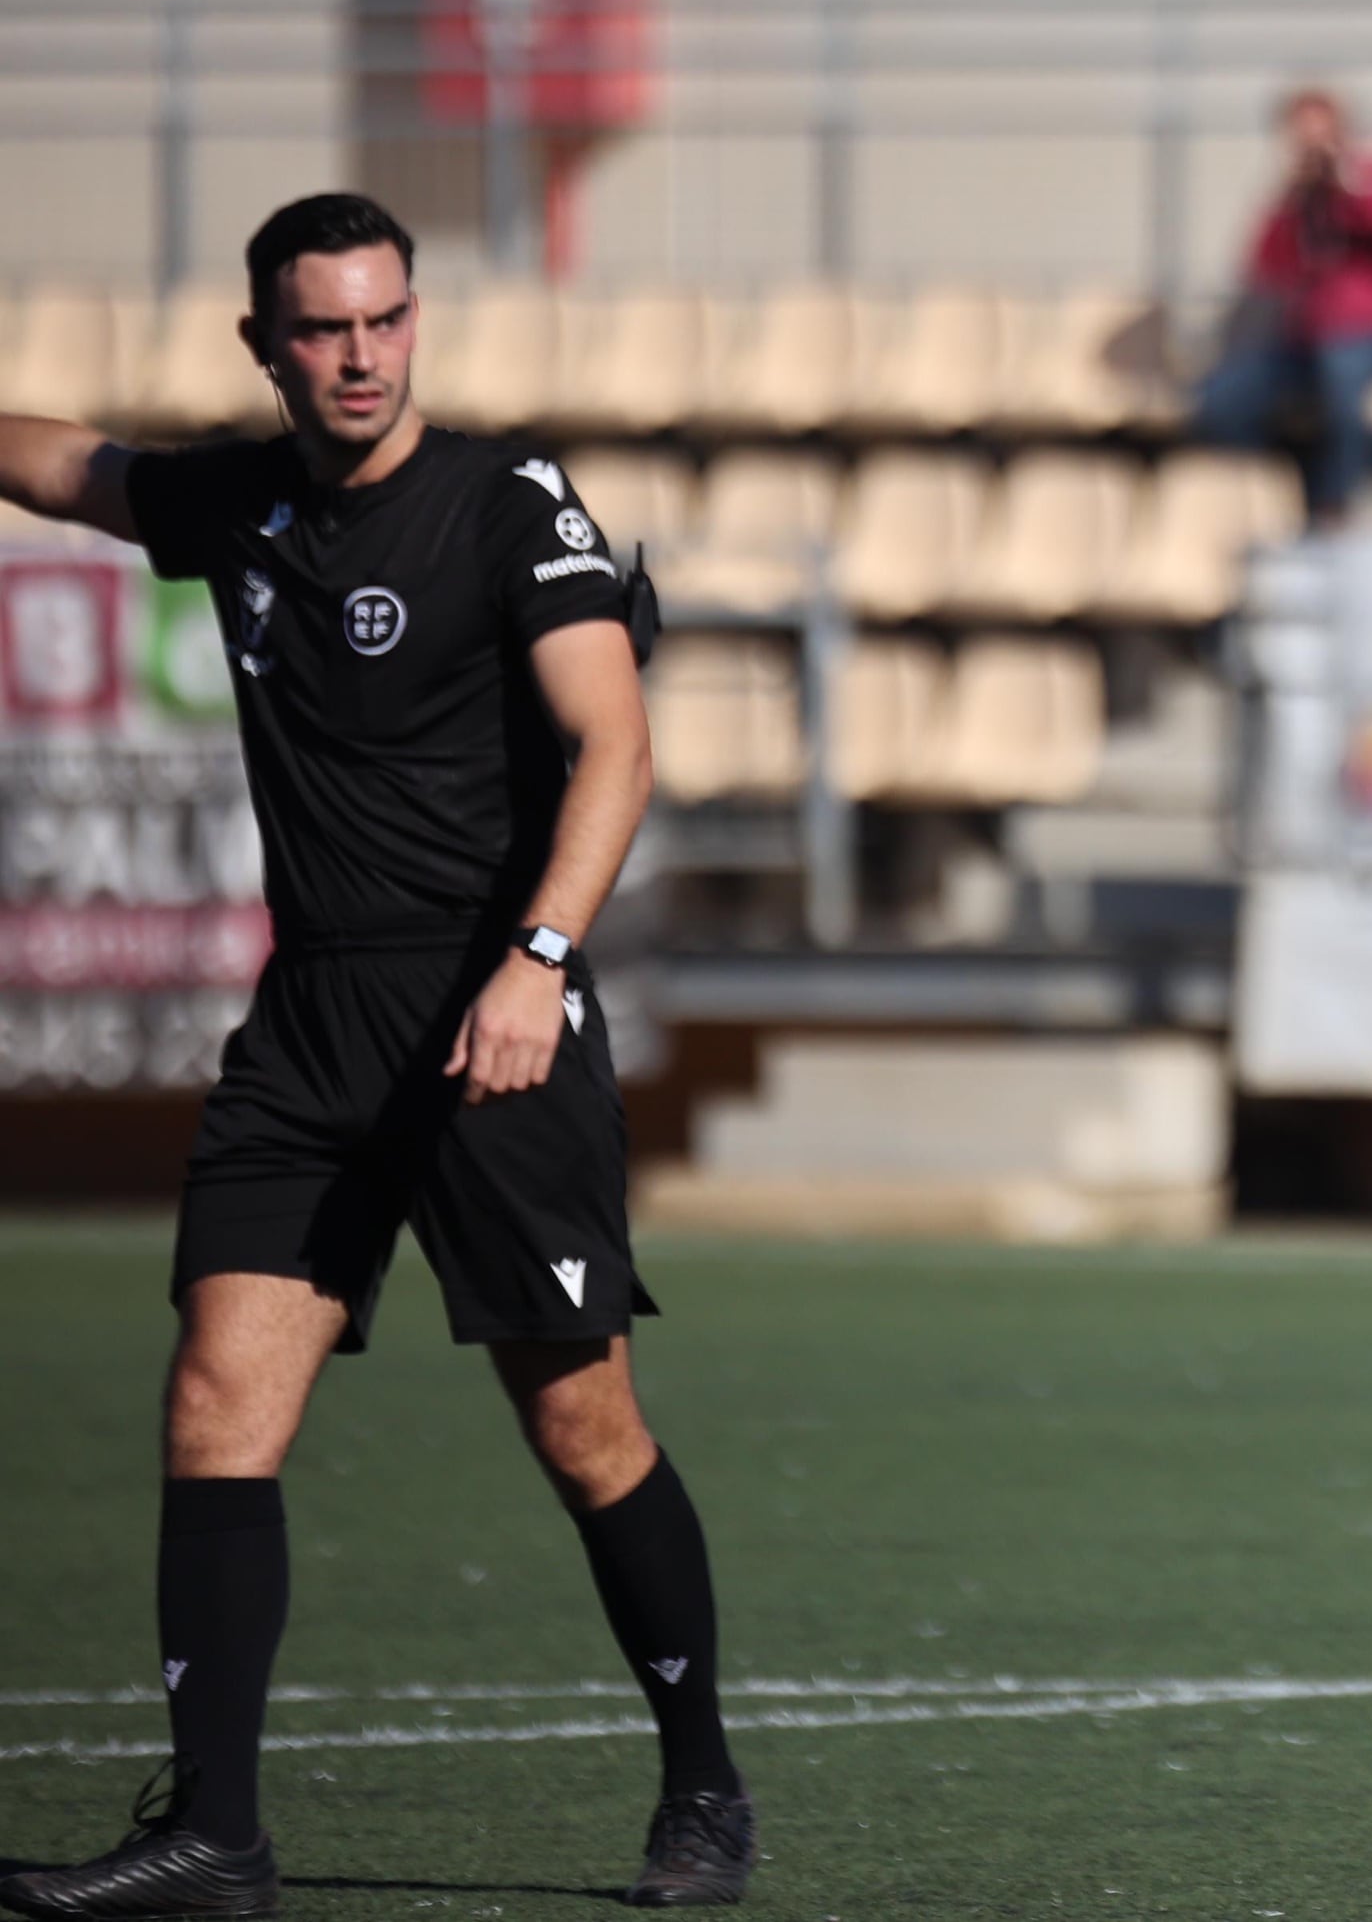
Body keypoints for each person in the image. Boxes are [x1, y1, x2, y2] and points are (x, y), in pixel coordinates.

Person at [0, 196, 751, 1918]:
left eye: (386, 320)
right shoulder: (239, 505)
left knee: (579, 1424)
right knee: (214, 1399)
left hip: (497, 1022)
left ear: (415, 321)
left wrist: (539, 962)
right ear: (264, 346)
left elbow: (613, 747)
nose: (361, 356)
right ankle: (217, 1837)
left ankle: (704, 1784)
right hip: (314, 1023)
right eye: (325, 329)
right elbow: (71, 470)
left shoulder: (505, 502)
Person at [1186, 84, 1372, 519]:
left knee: (1342, 365)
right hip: (1310, 346)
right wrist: (1293, 201)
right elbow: (1264, 268)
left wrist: (1356, 187)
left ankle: (1335, 505)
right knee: (1224, 396)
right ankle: (1284, 489)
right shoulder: (1298, 199)